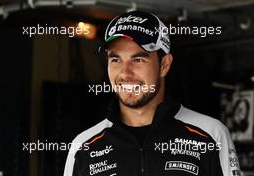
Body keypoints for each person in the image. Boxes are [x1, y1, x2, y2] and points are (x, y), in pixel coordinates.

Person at [64, 11, 241, 176]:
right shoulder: (83, 147)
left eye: (138, 59)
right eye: (116, 59)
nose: (125, 73)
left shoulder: (211, 135)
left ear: (164, 65)